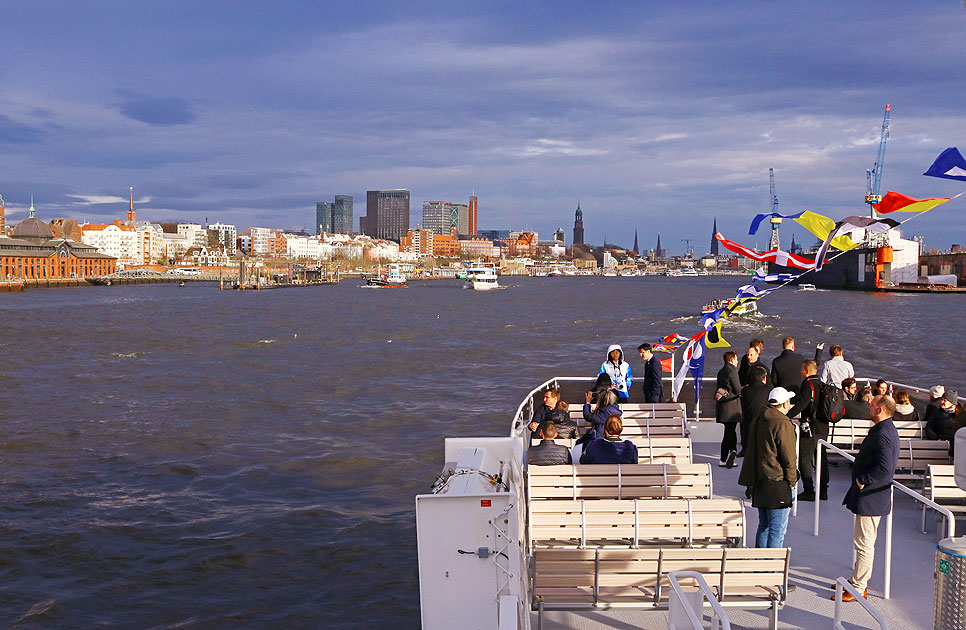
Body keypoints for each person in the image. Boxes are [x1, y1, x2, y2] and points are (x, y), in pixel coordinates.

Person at [834, 394, 899, 602]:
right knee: (862, 542)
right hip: (872, 496)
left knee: (864, 544)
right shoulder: (885, 429)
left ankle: (858, 587)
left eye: (872, 405)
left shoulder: (883, 434)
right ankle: (855, 580)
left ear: (880, 410)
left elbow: (885, 467)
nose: (868, 407)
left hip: (871, 497)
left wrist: (864, 479)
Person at [738, 387, 799, 548]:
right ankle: (771, 570)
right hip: (778, 482)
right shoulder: (783, 424)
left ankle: (760, 568)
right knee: (777, 531)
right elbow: (789, 458)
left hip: (760, 480)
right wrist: (792, 482)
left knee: (763, 526)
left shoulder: (760, 419)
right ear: (785, 403)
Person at [788, 359, 828, 501]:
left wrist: (787, 416)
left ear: (806, 371)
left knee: (805, 458)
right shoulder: (822, 384)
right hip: (823, 426)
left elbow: (801, 404)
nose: (801, 372)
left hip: (810, 426)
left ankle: (809, 490)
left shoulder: (807, 384)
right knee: (821, 458)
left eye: (802, 369)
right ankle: (823, 490)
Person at [715, 351, 742, 468]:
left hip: (722, 407)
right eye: (736, 359)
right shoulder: (732, 371)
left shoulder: (721, 371)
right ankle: (723, 458)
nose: (737, 361)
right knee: (728, 434)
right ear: (731, 360)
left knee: (730, 431)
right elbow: (737, 389)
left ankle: (733, 452)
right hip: (731, 407)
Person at [739, 365, 771, 458]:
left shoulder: (745, 390)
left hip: (748, 421)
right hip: (764, 421)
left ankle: (745, 450)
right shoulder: (769, 390)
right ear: (764, 378)